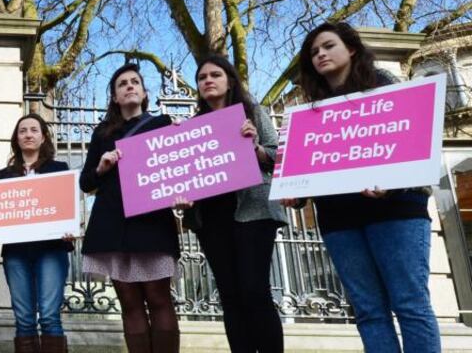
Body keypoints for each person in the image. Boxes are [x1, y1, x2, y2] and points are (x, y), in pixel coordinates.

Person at [289, 22, 440, 352]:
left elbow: (415, 144)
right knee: (369, 312)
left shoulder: (384, 85)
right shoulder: (310, 110)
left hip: (396, 212)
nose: (320, 55)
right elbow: (309, 166)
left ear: (352, 49)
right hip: (340, 220)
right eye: (314, 52)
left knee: (410, 305)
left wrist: (393, 184)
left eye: (328, 46)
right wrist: (296, 194)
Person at [180, 55, 286, 353]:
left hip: (252, 212)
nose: (208, 81)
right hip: (211, 218)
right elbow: (182, 176)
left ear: (229, 81)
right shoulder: (192, 128)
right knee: (230, 295)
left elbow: (279, 155)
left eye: (215, 75)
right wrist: (180, 196)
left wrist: (255, 149)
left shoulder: (253, 112)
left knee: (254, 291)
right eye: (202, 78)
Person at [79, 62, 179, 353]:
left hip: (152, 222)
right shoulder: (102, 134)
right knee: (130, 303)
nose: (129, 86)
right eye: (122, 84)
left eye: (135, 81)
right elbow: (85, 183)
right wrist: (102, 166)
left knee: (159, 298)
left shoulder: (163, 125)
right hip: (112, 225)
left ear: (144, 92)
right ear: (114, 96)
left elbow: (179, 171)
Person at [0, 114, 73, 353]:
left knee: (50, 316)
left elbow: (66, 208)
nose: (28, 134)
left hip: (51, 250)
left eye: (33, 130)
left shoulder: (59, 169)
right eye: (22, 131)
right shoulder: (4, 175)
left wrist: (68, 229)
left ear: (43, 137)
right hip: (16, 253)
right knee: (24, 319)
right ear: (16, 139)